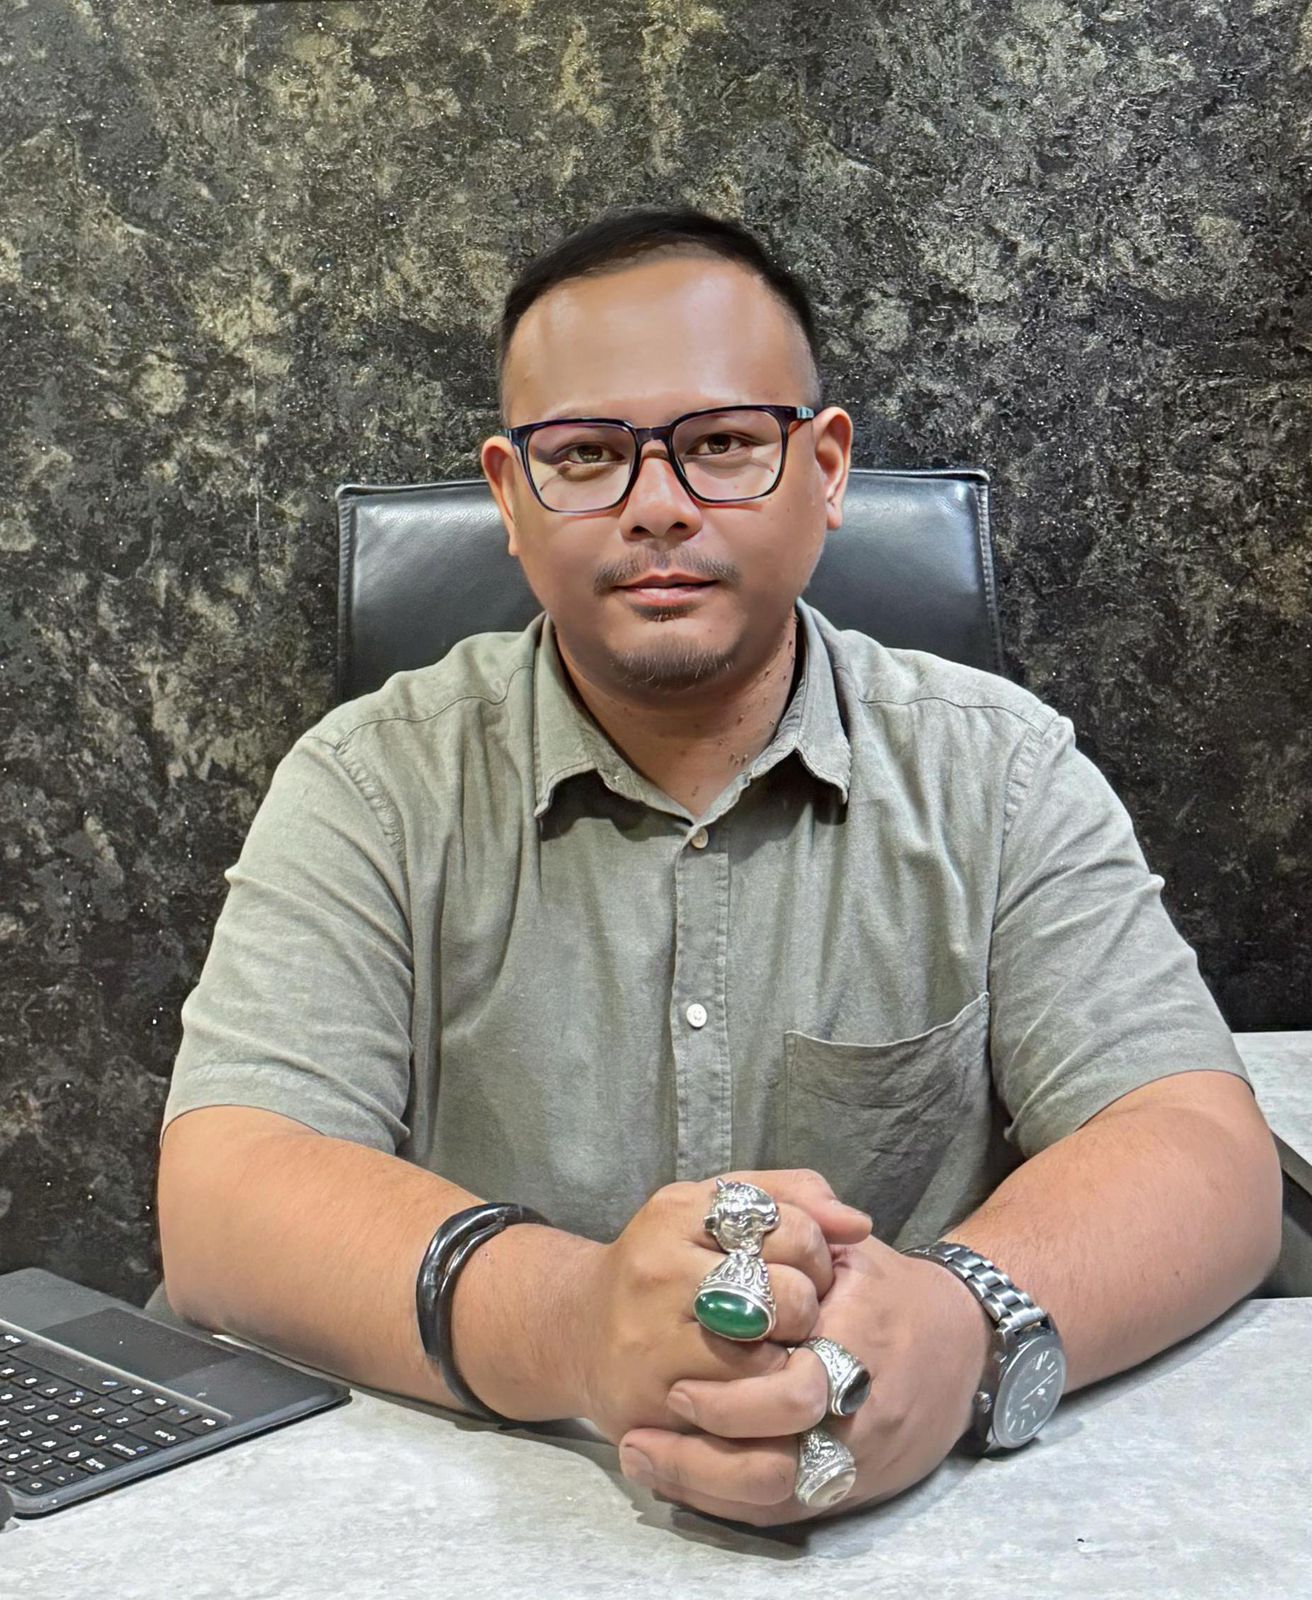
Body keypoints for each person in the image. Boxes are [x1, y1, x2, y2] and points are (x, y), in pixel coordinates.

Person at [155, 206, 1281, 1527]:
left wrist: (962, 1326)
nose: (657, 506)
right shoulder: (371, 784)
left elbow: (1200, 1152)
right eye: (584, 455)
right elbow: (228, 1190)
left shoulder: (1003, 774)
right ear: (511, 497)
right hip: (473, 1527)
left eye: (725, 444)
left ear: (827, 469)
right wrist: (574, 1323)